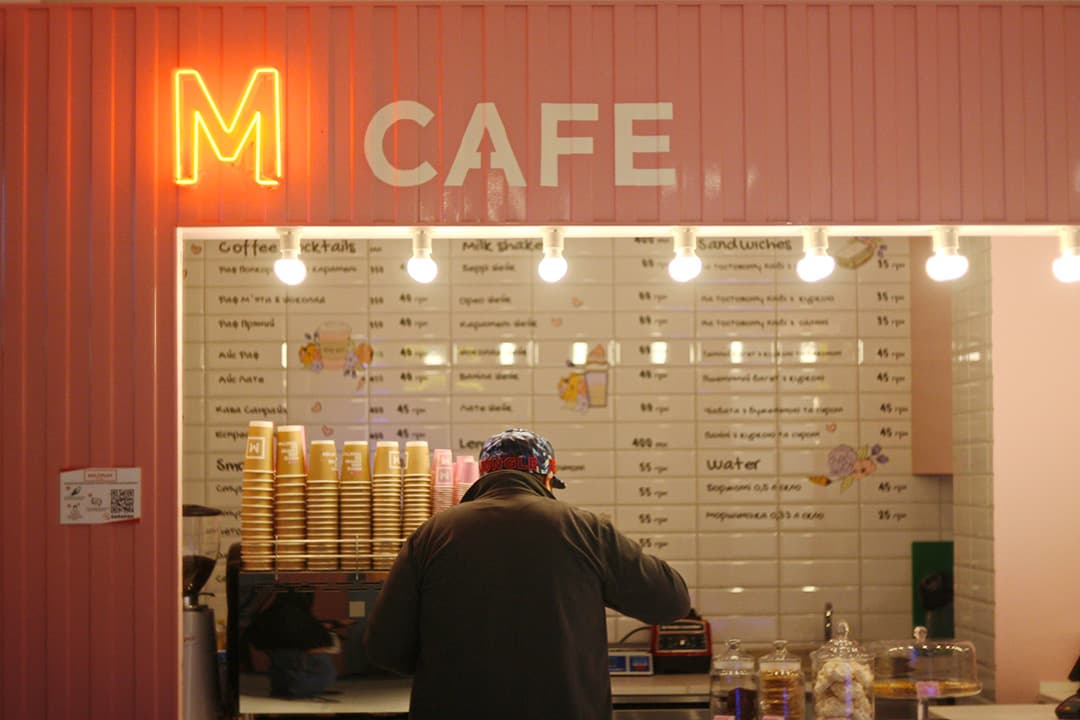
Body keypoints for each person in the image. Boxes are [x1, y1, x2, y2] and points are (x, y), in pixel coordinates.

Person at [365, 428, 691, 720]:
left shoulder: (431, 534)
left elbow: (385, 649)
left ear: (482, 476)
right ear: (547, 479)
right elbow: (671, 602)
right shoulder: (586, 529)